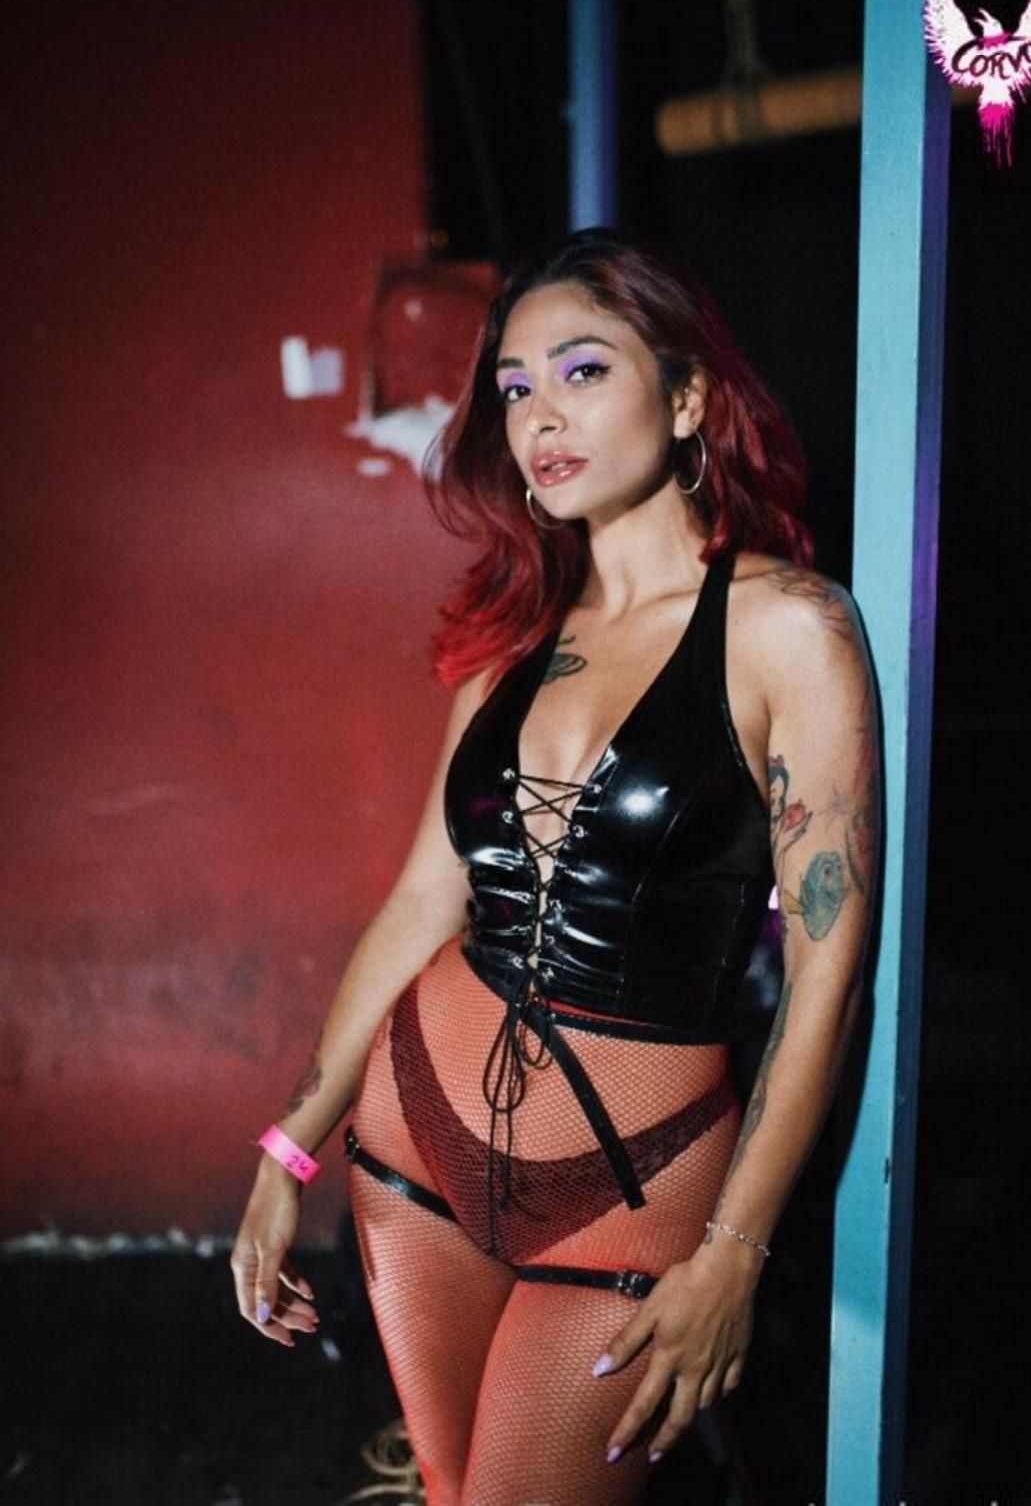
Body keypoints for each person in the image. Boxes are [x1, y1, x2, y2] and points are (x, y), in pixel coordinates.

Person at [230, 227, 878, 1505]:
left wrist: (735, 1254)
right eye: (515, 387)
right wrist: (287, 1148)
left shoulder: (788, 628)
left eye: (584, 370)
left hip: (635, 1185)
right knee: (452, 1488)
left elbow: (828, 978)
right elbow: (424, 900)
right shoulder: (507, 644)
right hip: (413, 1148)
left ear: (685, 398)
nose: (540, 415)